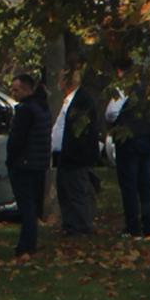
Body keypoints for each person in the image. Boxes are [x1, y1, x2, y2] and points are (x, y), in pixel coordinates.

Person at [106, 66, 150, 238]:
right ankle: (148, 226)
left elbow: (112, 113)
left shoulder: (124, 89)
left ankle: (133, 227)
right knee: (146, 185)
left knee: (129, 185)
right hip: (149, 139)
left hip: (129, 140)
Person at [50, 65, 100, 236]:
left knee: (77, 192)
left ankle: (81, 226)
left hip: (76, 156)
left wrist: (72, 152)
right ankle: (70, 225)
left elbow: (80, 132)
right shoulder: (69, 100)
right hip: (65, 155)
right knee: (66, 191)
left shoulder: (82, 101)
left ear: (66, 82)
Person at [7, 71, 52, 257]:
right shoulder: (42, 108)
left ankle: (26, 245)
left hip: (24, 164)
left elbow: (18, 139)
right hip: (38, 163)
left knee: (26, 207)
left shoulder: (25, 110)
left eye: (16, 89)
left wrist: (12, 159)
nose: (13, 93)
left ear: (26, 90)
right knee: (31, 206)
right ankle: (28, 243)